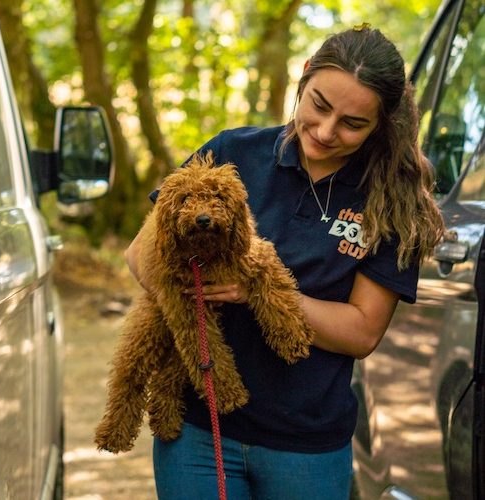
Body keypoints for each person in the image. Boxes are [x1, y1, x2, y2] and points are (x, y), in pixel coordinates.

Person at [126, 25, 445, 499]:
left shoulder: (391, 199)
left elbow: (362, 331)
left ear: (382, 123)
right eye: (318, 105)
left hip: (306, 447)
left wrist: (257, 290)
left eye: (353, 123)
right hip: (200, 429)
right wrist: (189, 286)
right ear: (303, 78)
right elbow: (139, 253)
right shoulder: (233, 152)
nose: (325, 130)